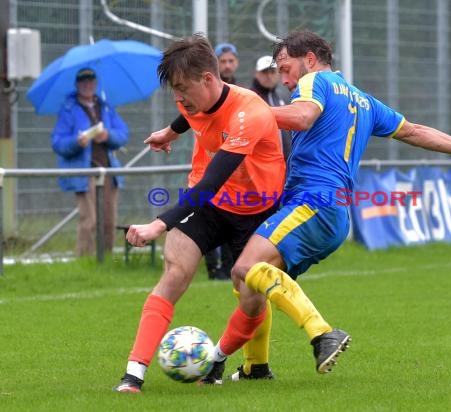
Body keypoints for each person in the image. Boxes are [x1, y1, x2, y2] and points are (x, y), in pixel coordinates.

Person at [143, 30, 451, 382]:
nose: (285, 80)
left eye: (285, 68)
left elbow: (303, 117)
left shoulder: (314, 82)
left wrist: (243, 116)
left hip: (313, 201)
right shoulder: (364, 100)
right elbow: (415, 131)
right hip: (334, 213)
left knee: (245, 267)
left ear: (310, 59)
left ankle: (322, 335)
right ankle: (246, 366)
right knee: (250, 283)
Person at [113, 34, 285, 393]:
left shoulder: (249, 112)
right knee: (176, 270)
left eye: (182, 89)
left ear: (208, 79)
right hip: (211, 207)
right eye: (173, 92)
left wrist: (158, 225)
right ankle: (134, 374)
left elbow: (211, 181)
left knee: (251, 297)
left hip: (258, 211)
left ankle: (218, 360)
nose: (179, 100)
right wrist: (169, 130)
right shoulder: (196, 103)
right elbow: (196, 115)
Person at [51, 68, 129, 257]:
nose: (87, 84)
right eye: (83, 81)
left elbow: (123, 134)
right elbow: (58, 143)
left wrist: (108, 135)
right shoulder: (68, 110)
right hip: (85, 173)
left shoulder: (106, 107)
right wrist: (76, 142)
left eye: (91, 80)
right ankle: (84, 259)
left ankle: (106, 259)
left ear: (95, 83)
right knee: (90, 220)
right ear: (77, 84)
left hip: (108, 171)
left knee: (109, 220)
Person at [204, 42, 241, 280]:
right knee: (207, 213)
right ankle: (212, 267)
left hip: (234, 162)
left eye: (230, 61)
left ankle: (227, 267)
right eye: (223, 61)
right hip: (212, 158)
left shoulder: (241, 93)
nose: (227, 65)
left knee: (231, 213)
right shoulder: (208, 92)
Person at [250, 55, 292, 160]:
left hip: (287, 163)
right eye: (264, 72)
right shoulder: (249, 98)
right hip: (261, 163)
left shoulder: (284, 97)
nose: (269, 76)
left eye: (272, 72)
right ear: (256, 74)